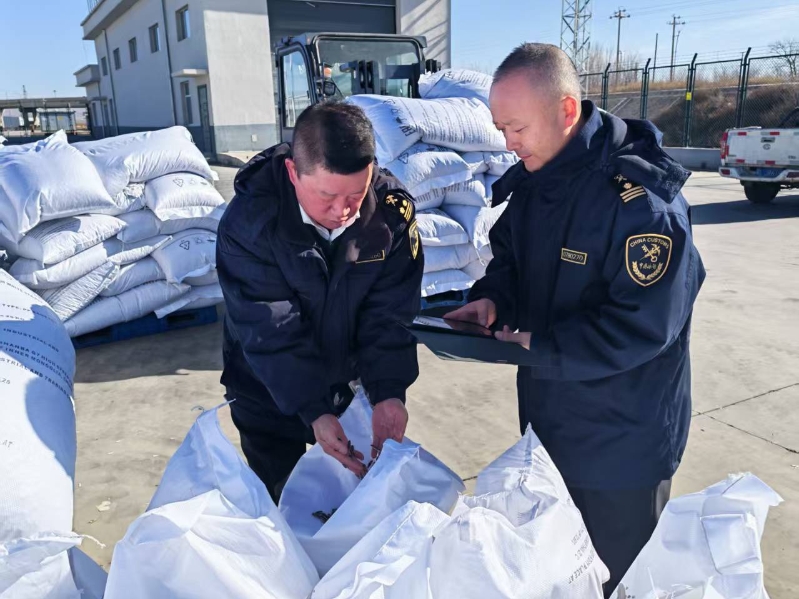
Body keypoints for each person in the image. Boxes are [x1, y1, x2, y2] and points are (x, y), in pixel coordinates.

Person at [445, 43, 706, 596]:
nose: (507, 143)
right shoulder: (539, 180)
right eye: (500, 129)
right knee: (560, 574)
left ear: (566, 110)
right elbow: (510, 262)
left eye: (517, 128)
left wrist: (540, 344)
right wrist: (493, 300)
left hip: (622, 449)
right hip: (551, 429)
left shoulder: (642, 205)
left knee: (619, 582)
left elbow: (643, 327)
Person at [216, 101, 424, 502]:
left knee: (356, 505)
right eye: (327, 196)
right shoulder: (251, 222)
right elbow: (271, 329)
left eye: (356, 194)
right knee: (283, 505)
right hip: (267, 390)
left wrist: (388, 392)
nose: (343, 211)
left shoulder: (390, 216)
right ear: (293, 173)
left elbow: (390, 314)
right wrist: (314, 409)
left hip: (348, 389)